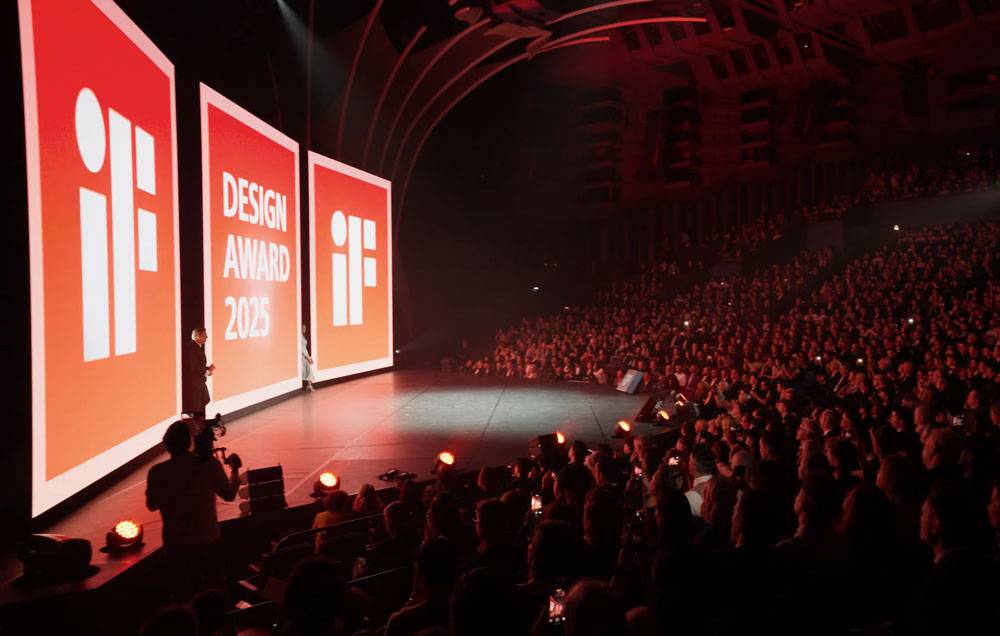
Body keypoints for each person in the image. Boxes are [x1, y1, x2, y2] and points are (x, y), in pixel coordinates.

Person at [145, 421, 240, 601]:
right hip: (207, 539)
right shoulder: (209, 465)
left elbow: (151, 505)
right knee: (217, 591)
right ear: (190, 442)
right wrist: (234, 471)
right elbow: (229, 495)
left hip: (176, 544)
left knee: (182, 595)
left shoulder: (157, 472)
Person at [183, 327, 215, 418]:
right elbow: (194, 367)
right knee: (196, 406)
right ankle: (194, 422)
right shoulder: (192, 347)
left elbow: (198, 365)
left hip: (199, 382)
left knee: (204, 400)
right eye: (205, 335)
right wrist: (207, 371)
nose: (207, 337)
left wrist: (208, 369)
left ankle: (197, 421)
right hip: (195, 383)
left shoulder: (196, 347)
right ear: (198, 336)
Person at [301, 324, 316, 392]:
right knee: (308, 369)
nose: (304, 329)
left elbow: (305, 348)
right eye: (303, 328)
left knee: (309, 369)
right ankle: (309, 385)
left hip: (305, 354)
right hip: (302, 356)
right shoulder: (299, 337)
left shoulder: (303, 336)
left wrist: (309, 356)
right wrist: (307, 357)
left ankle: (309, 385)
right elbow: (301, 349)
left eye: (305, 328)